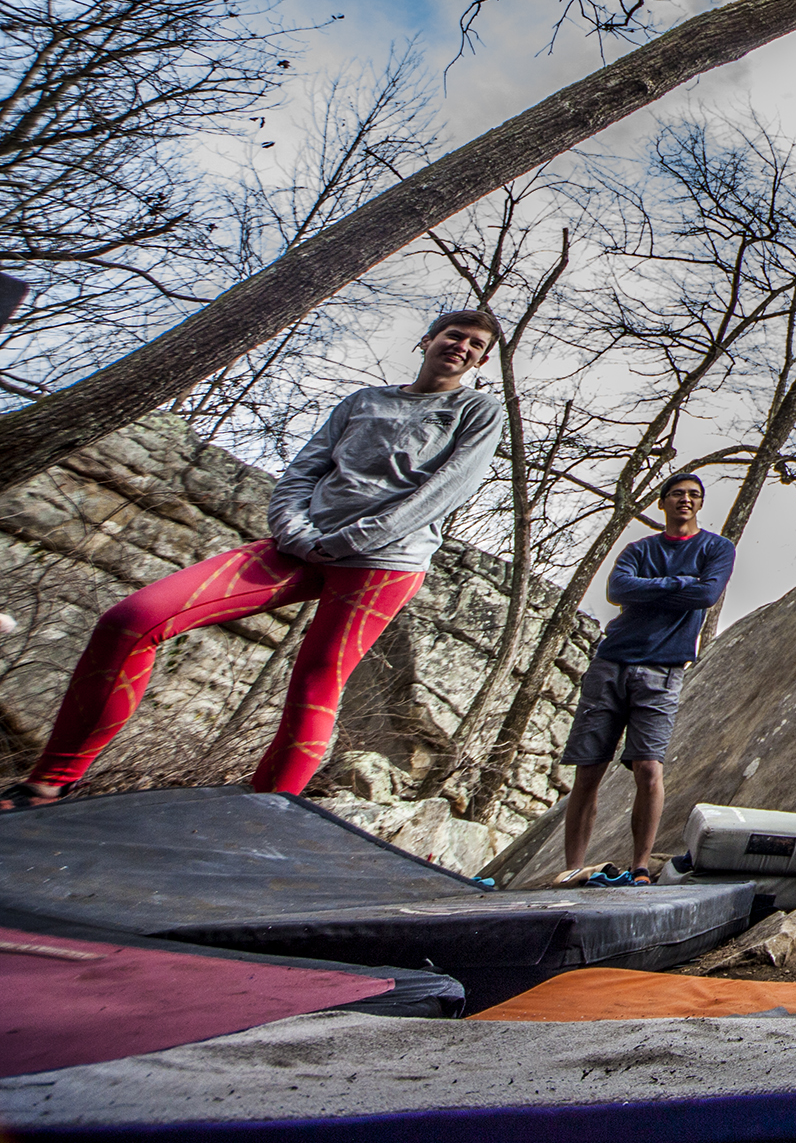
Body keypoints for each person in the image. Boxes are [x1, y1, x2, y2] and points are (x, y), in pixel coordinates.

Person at [1, 310, 506, 810]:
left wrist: (352, 540)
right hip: (299, 544)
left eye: (475, 344)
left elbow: (445, 492)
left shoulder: (476, 410)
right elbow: (304, 470)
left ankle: (255, 821)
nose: (462, 346)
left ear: (480, 359)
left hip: (384, 561)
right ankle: (49, 783)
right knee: (130, 621)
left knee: (315, 682)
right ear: (428, 339)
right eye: (453, 334)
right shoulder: (365, 401)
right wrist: (296, 530)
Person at [557, 472, 735, 885]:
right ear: (663, 503)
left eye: (693, 495)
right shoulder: (640, 549)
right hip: (611, 661)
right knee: (588, 768)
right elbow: (618, 589)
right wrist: (678, 583)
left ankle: (639, 867)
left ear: (700, 504)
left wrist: (651, 589)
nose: (685, 500)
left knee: (649, 769)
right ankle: (571, 868)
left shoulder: (715, 548)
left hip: (663, 668)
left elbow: (706, 595)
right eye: (676, 494)